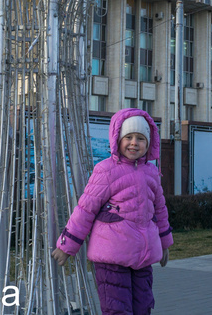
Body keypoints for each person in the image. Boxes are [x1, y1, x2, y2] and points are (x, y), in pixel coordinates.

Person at [55, 109, 171, 315]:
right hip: (111, 258)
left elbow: (159, 210)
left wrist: (164, 243)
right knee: (117, 309)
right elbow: (85, 209)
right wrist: (67, 245)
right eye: (128, 137)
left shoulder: (152, 172)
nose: (134, 143)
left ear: (149, 143)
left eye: (140, 138)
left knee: (143, 307)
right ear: (118, 139)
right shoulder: (106, 170)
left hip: (142, 258)